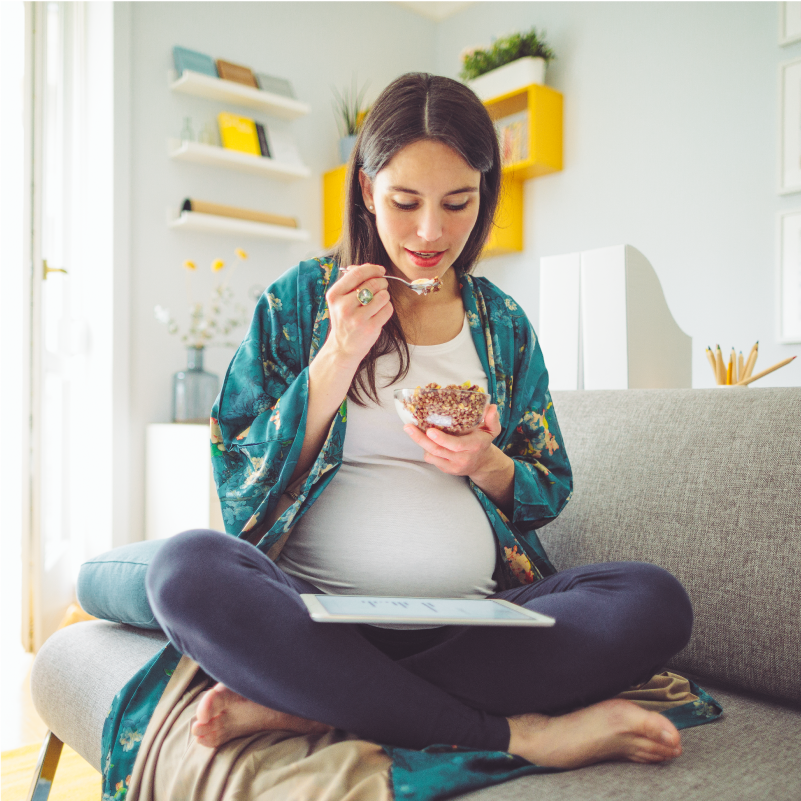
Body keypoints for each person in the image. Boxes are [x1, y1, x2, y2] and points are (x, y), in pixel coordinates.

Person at [145, 72, 693, 771]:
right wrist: (337, 355)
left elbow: (548, 487)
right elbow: (238, 496)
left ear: (483, 196)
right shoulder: (297, 305)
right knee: (185, 570)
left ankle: (318, 702)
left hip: (473, 625)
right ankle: (513, 734)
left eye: (457, 202)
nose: (431, 232)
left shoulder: (502, 326)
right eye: (404, 201)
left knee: (652, 600)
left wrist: (485, 462)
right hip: (314, 619)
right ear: (367, 192)